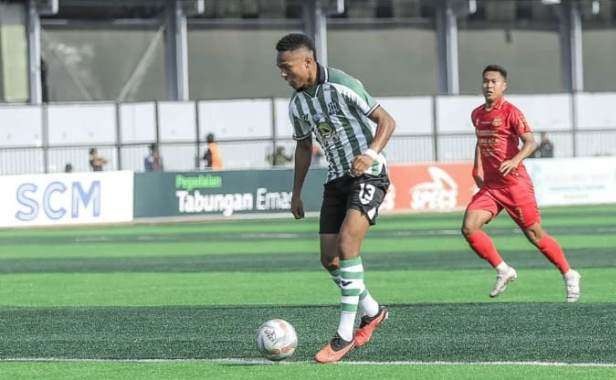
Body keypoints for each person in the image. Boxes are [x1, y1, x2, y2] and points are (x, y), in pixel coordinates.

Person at [276, 33, 396, 363]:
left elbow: (387, 121)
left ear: (308, 62)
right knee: (329, 259)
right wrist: (296, 192)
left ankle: (344, 336)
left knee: (347, 246)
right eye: (280, 70)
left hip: (369, 174)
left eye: (287, 68)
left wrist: (370, 153)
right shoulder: (297, 104)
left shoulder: (343, 84)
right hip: (335, 181)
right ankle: (372, 311)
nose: (284, 75)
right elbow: (303, 147)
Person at [461, 64, 580, 303]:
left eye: (494, 81)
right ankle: (504, 270)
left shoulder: (511, 112)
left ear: (504, 86)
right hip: (492, 186)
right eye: (486, 81)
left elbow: (531, 142)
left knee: (535, 235)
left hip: (515, 184)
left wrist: (515, 160)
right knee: (469, 227)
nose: (489, 85)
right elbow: (480, 141)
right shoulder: (477, 114)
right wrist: (477, 168)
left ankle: (569, 274)